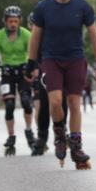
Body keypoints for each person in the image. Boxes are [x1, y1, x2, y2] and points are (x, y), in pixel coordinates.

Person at [26, 0, 96, 169]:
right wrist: (31, 62)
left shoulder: (83, 7)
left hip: (75, 59)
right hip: (51, 59)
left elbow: (94, 35)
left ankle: (76, 145)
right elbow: (35, 37)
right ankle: (60, 134)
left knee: (74, 103)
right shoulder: (43, 7)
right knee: (54, 101)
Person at [0, 6, 34, 156]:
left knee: (25, 101)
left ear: (20, 22)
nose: (13, 24)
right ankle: (11, 136)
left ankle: (29, 130)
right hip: (7, 73)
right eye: (10, 21)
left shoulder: (26, 34)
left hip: (24, 71)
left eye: (16, 21)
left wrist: (34, 73)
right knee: (9, 105)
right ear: (5, 22)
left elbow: (32, 56)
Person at [27, 12, 67, 156]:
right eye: (33, 25)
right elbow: (33, 57)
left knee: (60, 100)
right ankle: (42, 137)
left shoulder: (51, 36)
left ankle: (62, 129)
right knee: (43, 104)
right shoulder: (32, 39)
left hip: (57, 69)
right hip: (41, 72)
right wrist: (34, 69)